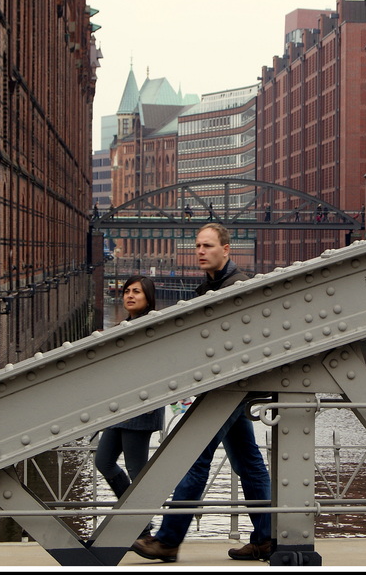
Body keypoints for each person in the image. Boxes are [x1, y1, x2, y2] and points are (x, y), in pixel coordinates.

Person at [132, 223, 272, 563]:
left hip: (227, 389)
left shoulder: (235, 287)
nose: (200, 251)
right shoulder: (212, 287)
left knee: (195, 457)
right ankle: (267, 538)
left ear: (227, 250)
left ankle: (167, 540)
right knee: (249, 462)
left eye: (207, 245)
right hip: (227, 389)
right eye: (197, 245)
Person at [95, 275, 164, 538]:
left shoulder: (152, 325)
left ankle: (141, 527)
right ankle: (136, 520)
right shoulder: (126, 324)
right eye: (127, 291)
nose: (130, 295)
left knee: (137, 470)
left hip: (141, 406)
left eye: (137, 291)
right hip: (121, 407)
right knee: (104, 461)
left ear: (148, 298)